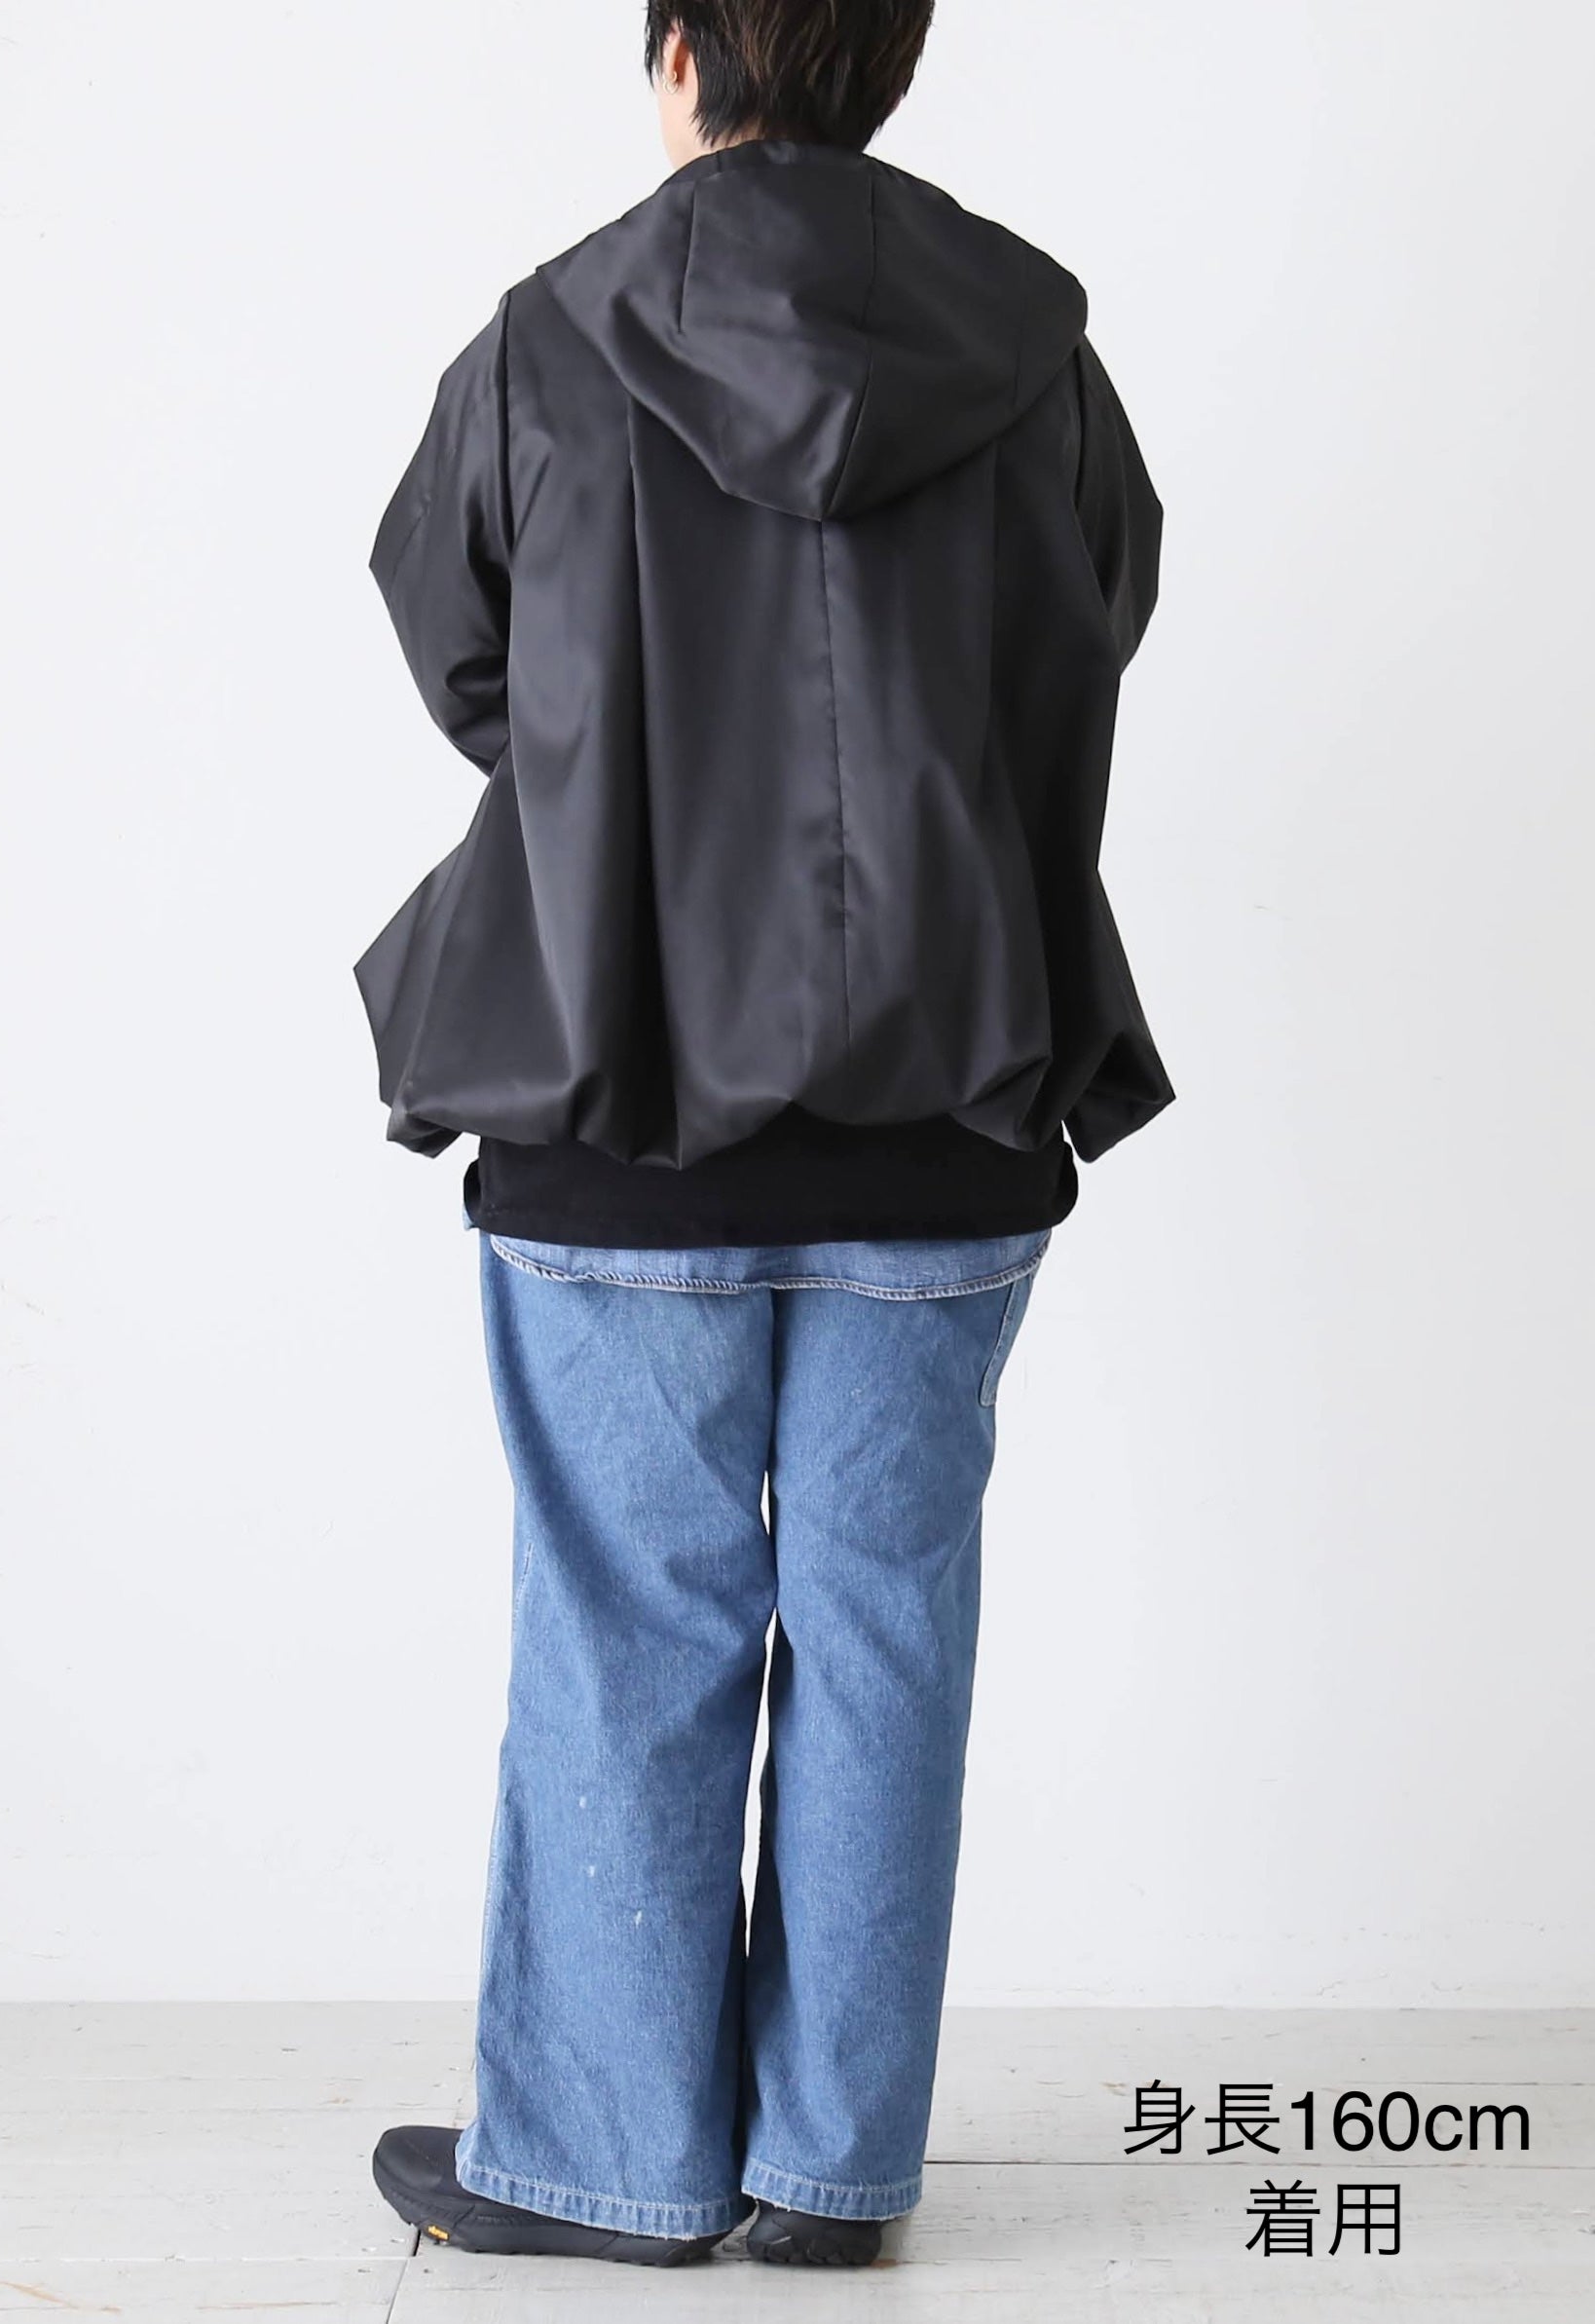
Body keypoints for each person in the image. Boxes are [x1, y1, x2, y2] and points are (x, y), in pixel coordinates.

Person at [360, 0, 1169, 2272]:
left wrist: (640, 782)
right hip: (954, 1095)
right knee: (887, 1633)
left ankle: (607, 2162)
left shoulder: (545, 341)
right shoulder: (1033, 350)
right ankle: (830, 2171)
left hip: (622, 1096)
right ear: (887, 62)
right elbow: (1090, 631)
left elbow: (460, 655)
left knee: (632, 1626)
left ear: (682, 56)